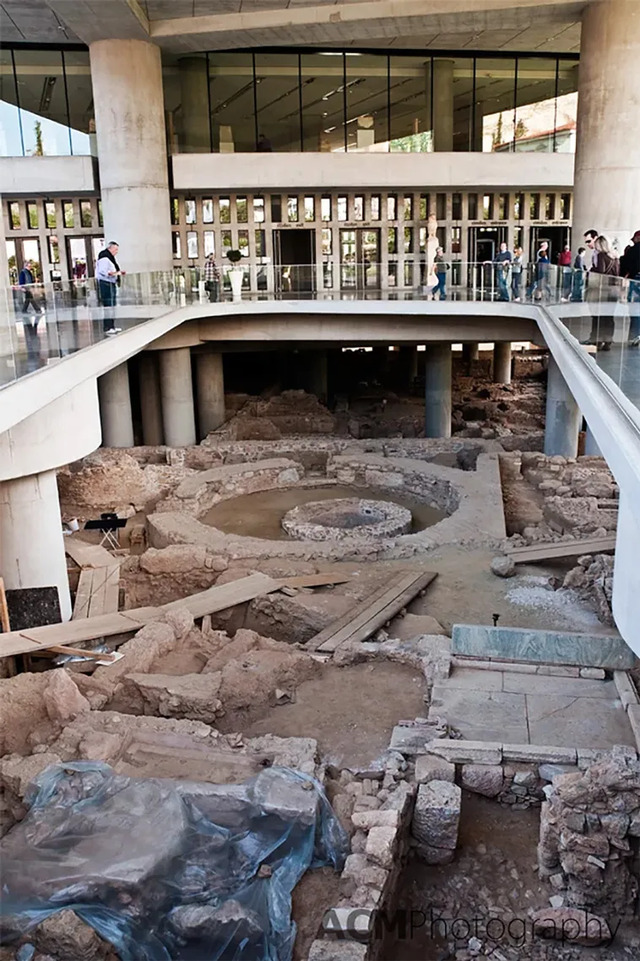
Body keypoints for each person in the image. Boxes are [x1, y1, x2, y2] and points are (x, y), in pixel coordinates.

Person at [96, 241, 125, 335]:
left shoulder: (109, 258)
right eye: (115, 249)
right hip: (106, 283)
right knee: (108, 305)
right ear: (110, 248)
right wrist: (117, 273)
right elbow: (103, 271)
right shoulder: (104, 257)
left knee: (112, 305)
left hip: (110, 283)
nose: (116, 251)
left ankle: (111, 326)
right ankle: (107, 327)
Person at [620, 230, 640, 304]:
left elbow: (626, 265)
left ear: (638, 238)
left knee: (634, 303)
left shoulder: (632, 250)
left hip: (635, 278)